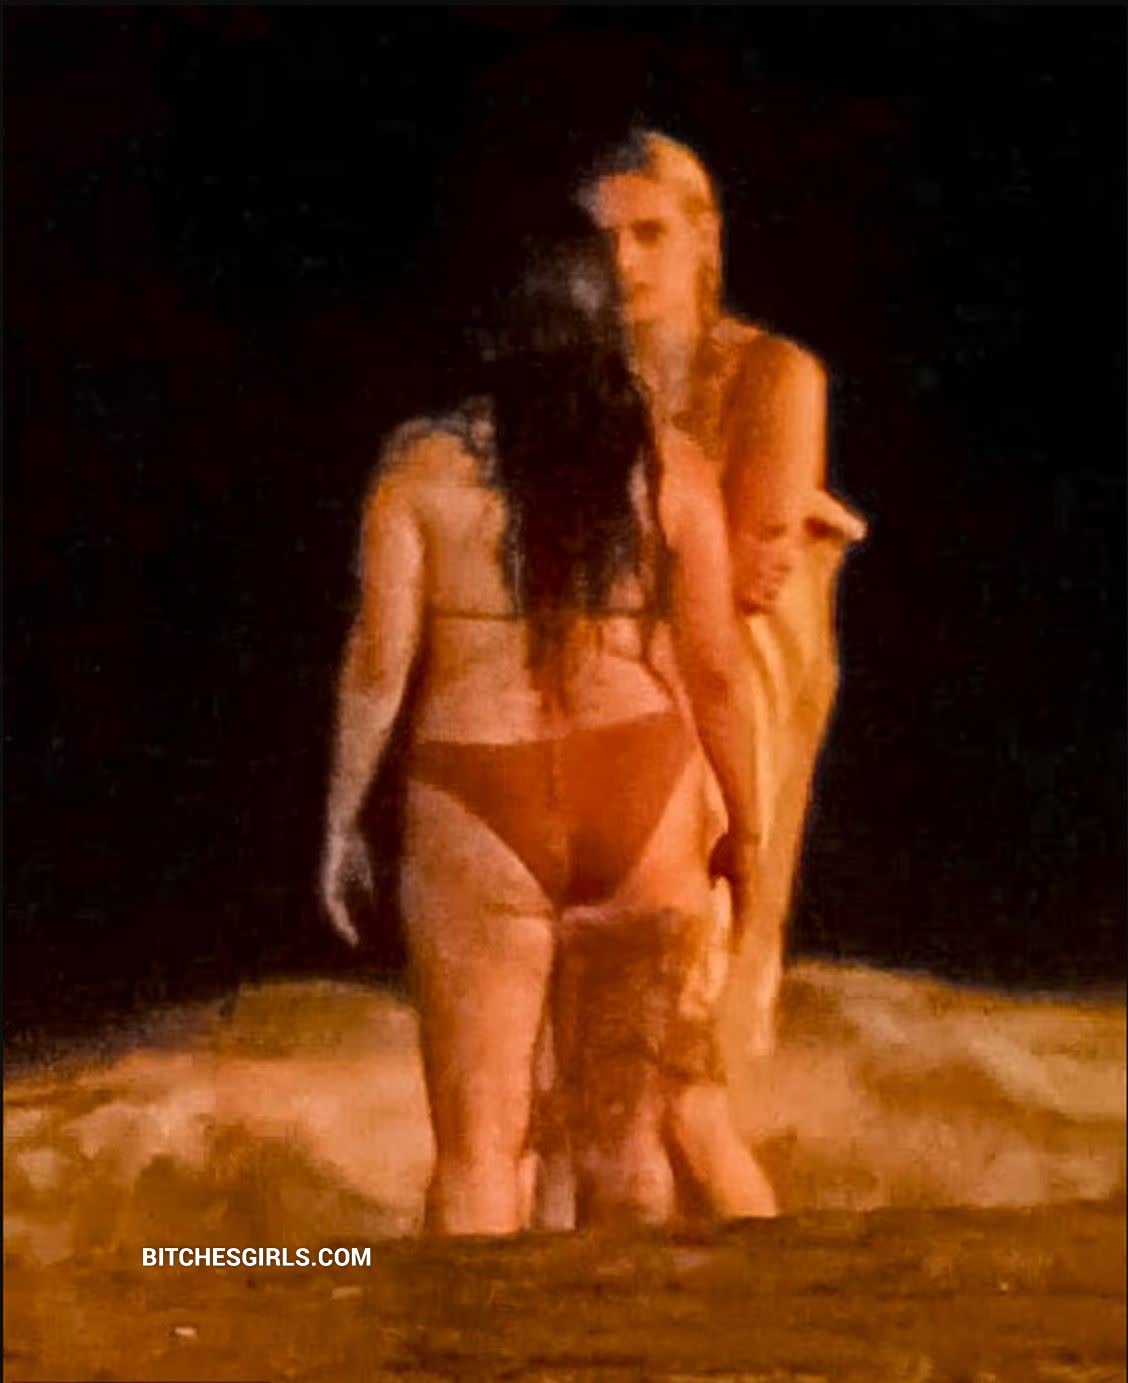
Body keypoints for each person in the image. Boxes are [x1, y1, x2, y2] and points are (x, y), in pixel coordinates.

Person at [321, 206, 775, 1235]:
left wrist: (341, 820)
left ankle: (480, 1329)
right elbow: (714, 673)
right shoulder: (671, 469)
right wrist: (746, 827)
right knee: (628, 1152)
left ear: (491, 329)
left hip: (479, 792)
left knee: (482, 1154)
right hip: (643, 786)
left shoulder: (421, 470)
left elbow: (379, 663)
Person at [579, 127, 867, 1072]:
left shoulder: (772, 373)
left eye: (649, 234)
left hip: (734, 690)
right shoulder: (575, 386)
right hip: (617, 684)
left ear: (704, 237)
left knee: (700, 988)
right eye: (603, 240)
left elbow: (740, 579)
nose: (623, 263)